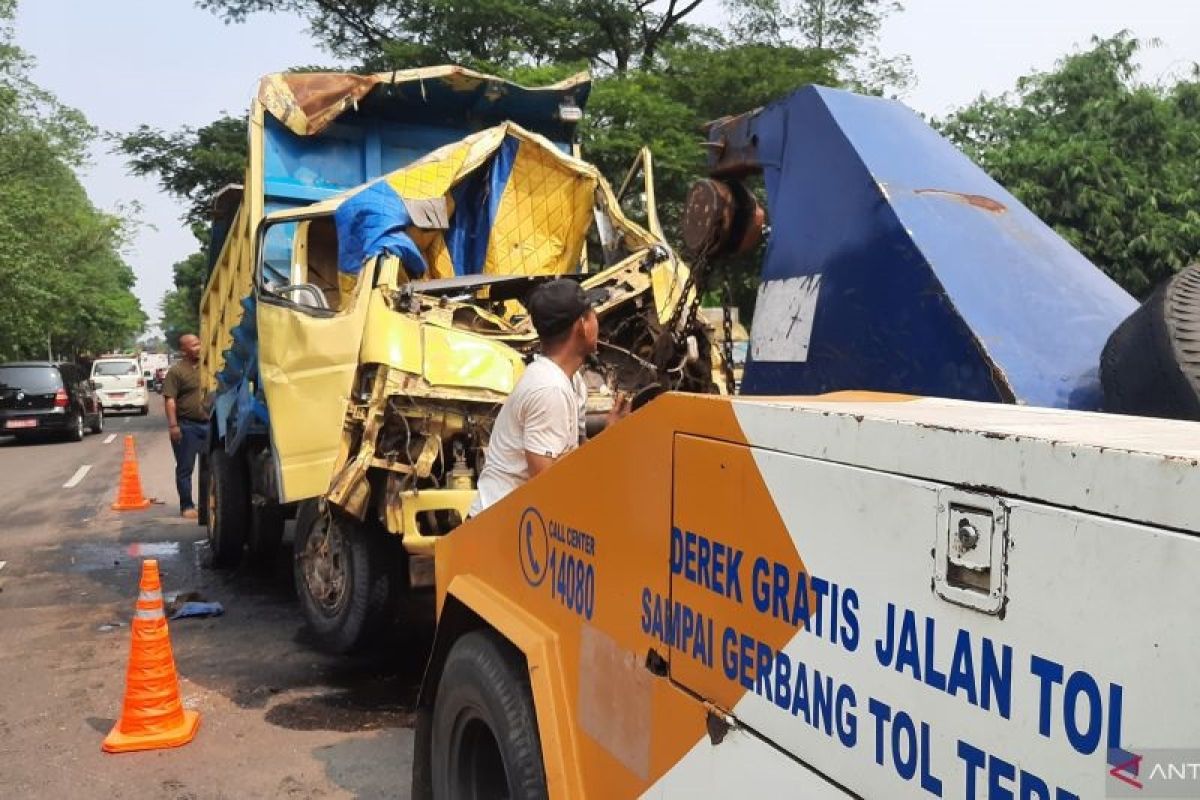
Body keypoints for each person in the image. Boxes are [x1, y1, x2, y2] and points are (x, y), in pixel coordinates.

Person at [468, 279, 630, 516]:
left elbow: (578, 458)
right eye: (592, 313)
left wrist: (611, 433)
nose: (598, 320)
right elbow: (547, 484)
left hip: (515, 525)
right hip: (493, 529)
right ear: (582, 326)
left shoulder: (572, 382)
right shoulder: (549, 389)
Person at [163, 334, 207, 519]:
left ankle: (207, 507)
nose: (198, 347)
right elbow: (170, 400)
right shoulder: (177, 371)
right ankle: (187, 505)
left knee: (211, 467)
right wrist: (173, 425)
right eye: (194, 345)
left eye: (199, 343)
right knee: (185, 468)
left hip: (209, 424)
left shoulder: (208, 368)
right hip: (186, 426)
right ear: (184, 350)